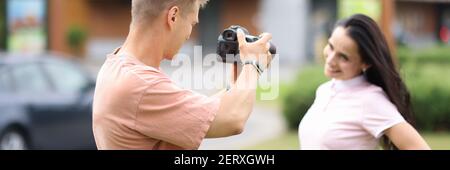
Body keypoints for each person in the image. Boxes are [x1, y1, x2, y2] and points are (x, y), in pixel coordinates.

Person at [92, 0, 273, 150]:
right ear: (173, 17)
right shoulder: (140, 84)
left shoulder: (117, 66)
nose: (188, 34)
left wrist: (236, 81)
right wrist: (253, 64)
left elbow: (204, 113)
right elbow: (233, 119)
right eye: (192, 24)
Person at [299, 14, 430, 150]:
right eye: (331, 46)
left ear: (366, 63)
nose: (331, 60)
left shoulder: (370, 100)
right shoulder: (324, 90)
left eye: (343, 57)